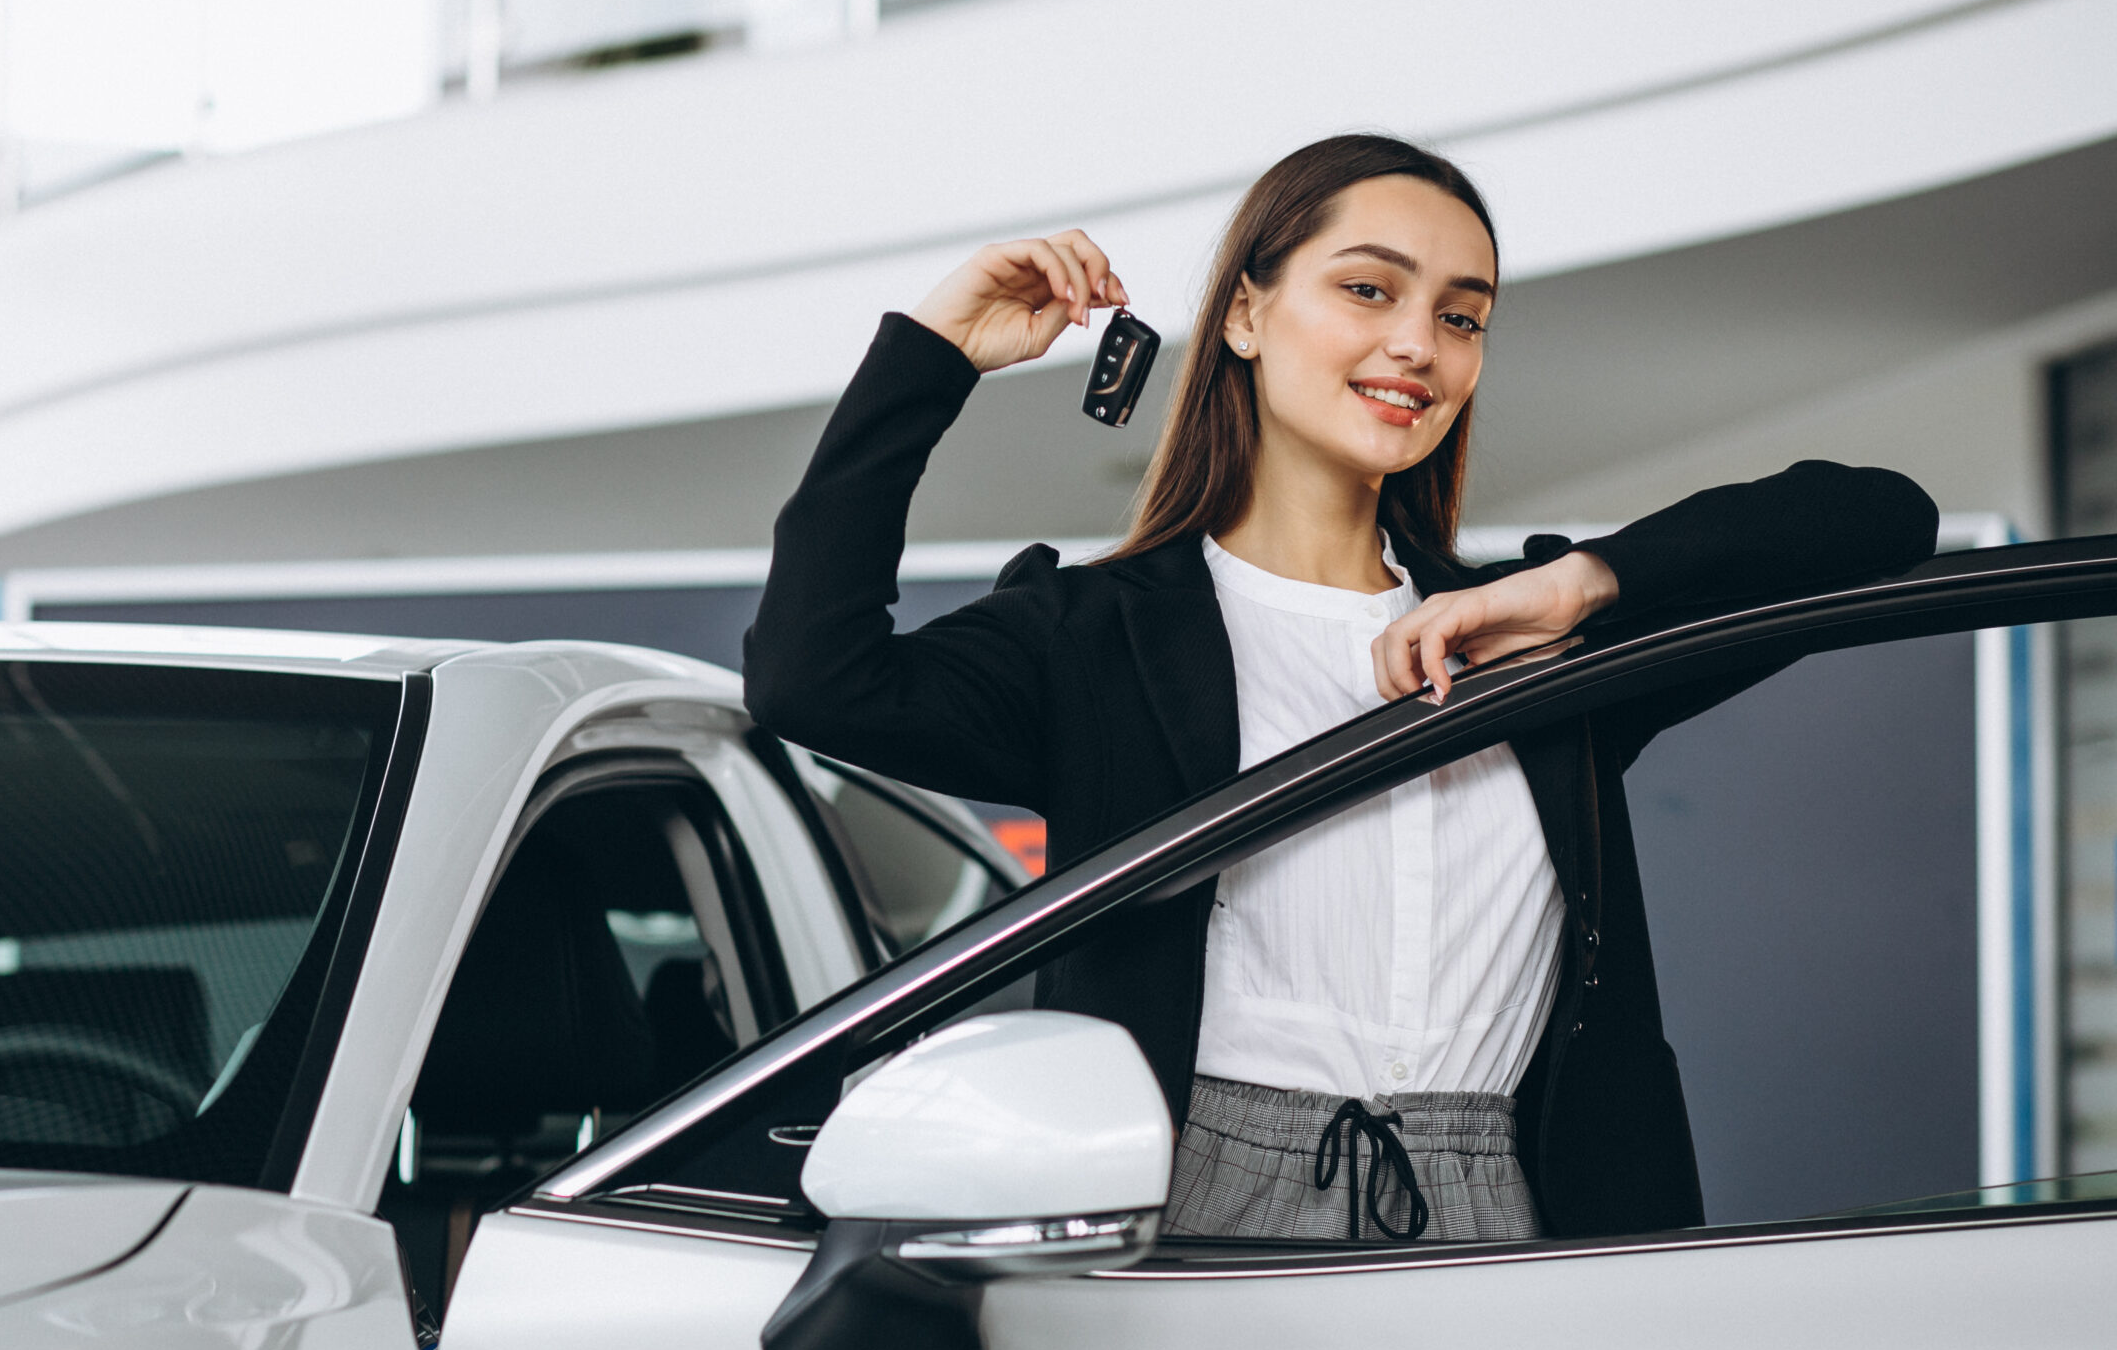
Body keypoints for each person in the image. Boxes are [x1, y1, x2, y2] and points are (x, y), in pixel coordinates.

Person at [743, 133, 1939, 1244]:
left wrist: (1581, 588)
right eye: (1369, 290)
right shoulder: (1098, 636)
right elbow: (814, 680)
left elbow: (1878, 516)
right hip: (1194, 1201)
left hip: (1518, 1206)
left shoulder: (1525, 638)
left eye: (1462, 317)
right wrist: (933, 354)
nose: (1420, 345)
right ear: (1249, 314)